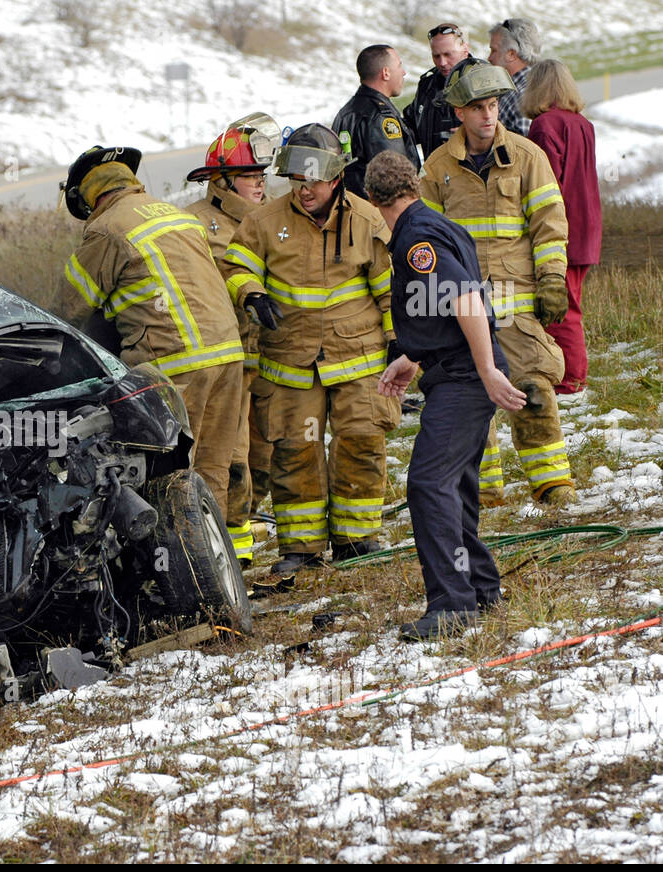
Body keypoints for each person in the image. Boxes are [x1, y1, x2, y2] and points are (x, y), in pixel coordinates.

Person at [222, 124, 401, 575]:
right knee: (294, 451)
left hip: (358, 360)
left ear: (335, 177)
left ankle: (357, 538)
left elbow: (389, 288)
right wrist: (251, 294)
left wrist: (401, 340)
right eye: (296, 181)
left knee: (362, 443)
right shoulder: (262, 222)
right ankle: (300, 548)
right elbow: (236, 267)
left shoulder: (365, 219)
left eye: (313, 182)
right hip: (289, 362)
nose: (304, 191)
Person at [366, 151, 527, 640]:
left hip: (463, 379)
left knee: (429, 484)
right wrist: (412, 356)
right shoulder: (438, 223)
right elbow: (439, 308)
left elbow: (465, 300)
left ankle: (452, 604)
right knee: (454, 485)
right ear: (413, 186)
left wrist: (486, 372)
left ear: (373, 199)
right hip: (456, 371)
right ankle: (480, 589)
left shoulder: (416, 240)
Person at [56, 145, 245, 521]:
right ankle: (218, 563)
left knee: (169, 474)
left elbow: (68, 312)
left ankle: (176, 564)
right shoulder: (177, 215)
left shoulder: (107, 228)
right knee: (213, 467)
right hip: (228, 354)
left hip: (174, 362)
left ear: (93, 198)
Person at [422, 58, 574, 509]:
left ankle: (552, 484)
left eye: (493, 105)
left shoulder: (528, 157)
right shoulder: (436, 169)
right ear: (459, 114)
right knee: (470, 395)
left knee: (532, 386)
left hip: (516, 300)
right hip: (462, 306)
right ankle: (483, 491)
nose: (489, 115)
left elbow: (550, 225)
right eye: (478, 107)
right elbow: (425, 241)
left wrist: (551, 279)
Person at [184, 115, 279, 564]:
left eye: (262, 176)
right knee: (233, 457)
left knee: (265, 454)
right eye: (248, 177)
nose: (259, 185)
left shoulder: (274, 218)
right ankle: (230, 558)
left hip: (274, 357)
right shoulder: (196, 225)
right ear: (221, 181)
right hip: (231, 361)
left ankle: (239, 539)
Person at [524, 58, 601, 394]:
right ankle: (571, 373)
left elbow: (545, 182)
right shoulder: (582, 123)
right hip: (588, 225)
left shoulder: (545, 125)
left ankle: (571, 379)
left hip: (562, 227)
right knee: (572, 302)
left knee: (563, 308)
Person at [333, 44, 421, 199]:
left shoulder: (345, 112)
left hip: (353, 210)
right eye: (399, 66)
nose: (404, 72)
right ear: (386, 73)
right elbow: (395, 180)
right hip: (380, 215)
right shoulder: (381, 117)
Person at [403, 22, 472, 157]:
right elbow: (410, 126)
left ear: (465, 49)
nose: (442, 63)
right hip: (435, 173)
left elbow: (510, 132)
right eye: (436, 56)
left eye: (448, 54)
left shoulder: (486, 81)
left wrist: (477, 136)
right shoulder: (427, 85)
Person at [489, 17, 542, 137]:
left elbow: (524, 148)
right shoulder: (514, 87)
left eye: (493, 51)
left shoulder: (525, 94)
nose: (489, 58)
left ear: (511, 54)